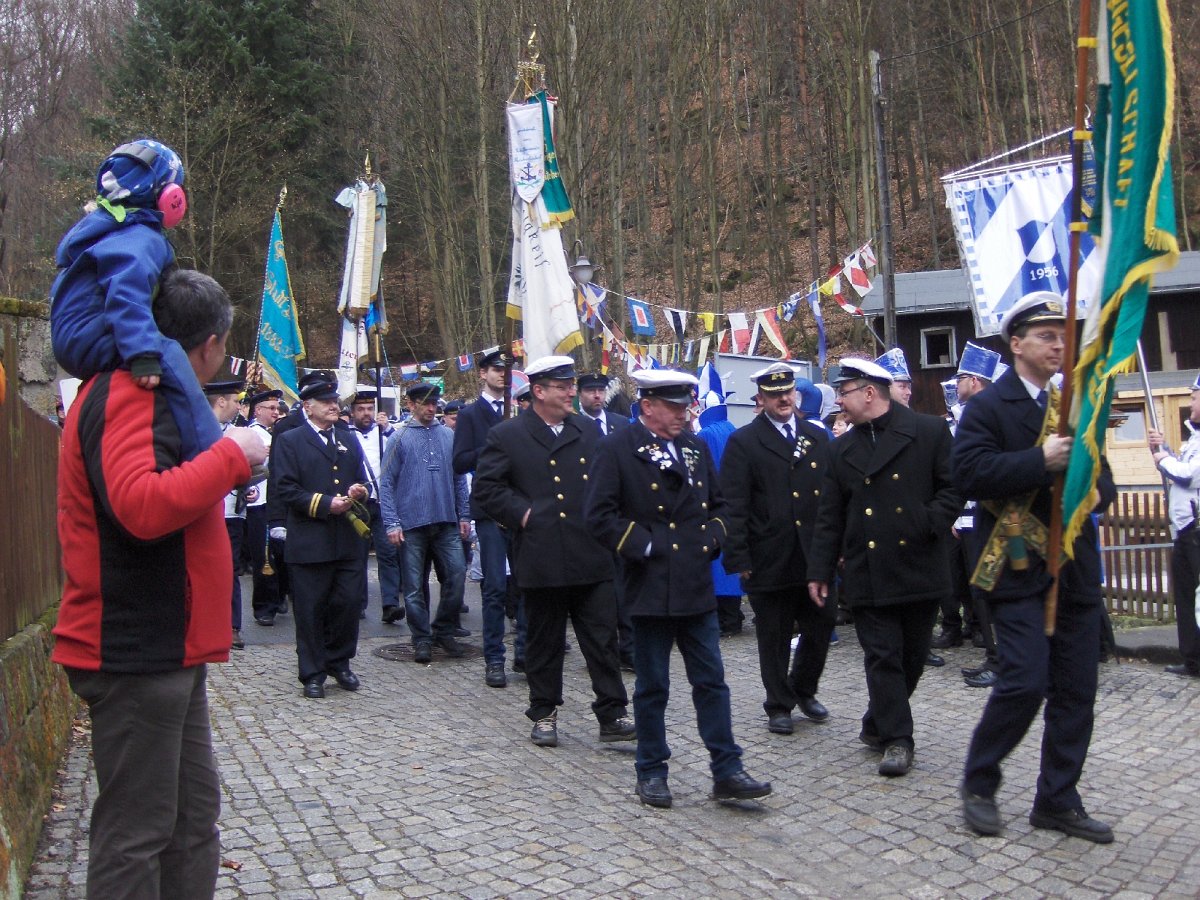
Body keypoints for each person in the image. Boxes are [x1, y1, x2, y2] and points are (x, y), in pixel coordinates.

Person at [54, 267, 267, 897]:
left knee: (191, 822)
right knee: (138, 832)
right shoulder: (128, 393)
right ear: (210, 344)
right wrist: (232, 457)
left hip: (163, 648)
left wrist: (225, 467)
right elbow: (141, 507)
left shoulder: (148, 393)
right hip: (134, 649)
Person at [955, 292, 1116, 842]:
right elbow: (969, 475)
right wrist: (1039, 461)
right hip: (1016, 568)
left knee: (1076, 691)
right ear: (1016, 343)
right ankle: (980, 782)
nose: (1060, 345)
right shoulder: (987, 408)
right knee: (1023, 680)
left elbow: (1106, 486)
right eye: (1047, 336)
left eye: (1065, 335)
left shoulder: (1074, 406)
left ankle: (1057, 799)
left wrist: (1089, 485)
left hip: (1072, 566)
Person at [587, 369, 772, 809]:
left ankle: (727, 769)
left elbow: (723, 504)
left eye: (686, 406)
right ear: (647, 406)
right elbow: (598, 516)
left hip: (693, 584)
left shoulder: (694, 447)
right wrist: (645, 544)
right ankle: (651, 769)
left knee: (712, 681)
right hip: (649, 585)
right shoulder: (617, 449)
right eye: (673, 407)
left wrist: (712, 537)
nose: (684, 414)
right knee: (653, 687)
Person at [807, 358, 959, 778]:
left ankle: (878, 721)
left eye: (844, 392)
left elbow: (953, 487)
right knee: (883, 657)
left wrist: (930, 520)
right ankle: (898, 738)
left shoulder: (928, 431)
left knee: (912, 657)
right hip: (868, 569)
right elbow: (829, 515)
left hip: (920, 563)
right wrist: (819, 571)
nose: (838, 400)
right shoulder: (841, 450)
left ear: (869, 392)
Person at [473, 356, 635, 744]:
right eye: (563, 387)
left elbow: (612, 483)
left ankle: (612, 713)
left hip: (591, 554)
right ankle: (544, 712)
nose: (571, 393)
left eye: (571, 386)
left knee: (601, 640)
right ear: (539, 391)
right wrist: (524, 514)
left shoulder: (589, 431)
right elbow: (487, 490)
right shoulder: (508, 435)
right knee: (544, 642)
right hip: (541, 555)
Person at [50, 139, 219, 462]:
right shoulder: (140, 239)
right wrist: (142, 352)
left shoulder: (106, 230)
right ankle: (210, 452)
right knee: (169, 353)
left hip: (75, 339)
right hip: (92, 337)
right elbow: (126, 293)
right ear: (168, 196)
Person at [722, 363, 833, 735]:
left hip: (814, 556)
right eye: (774, 394)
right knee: (774, 636)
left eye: (788, 392)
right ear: (760, 399)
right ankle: (779, 703)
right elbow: (733, 505)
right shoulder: (744, 443)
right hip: (768, 556)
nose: (783, 399)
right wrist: (739, 557)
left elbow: (830, 500)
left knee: (821, 627)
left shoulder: (816, 438)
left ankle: (803, 688)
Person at [273, 376, 372, 698]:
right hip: (310, 540)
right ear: (307, 407)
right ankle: (312, 672)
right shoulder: (291, 440)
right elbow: (285, 489)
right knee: (310, 608)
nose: (334, 406)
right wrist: (326, 504)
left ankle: (340, 661)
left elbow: (363, 481)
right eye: (326, 402)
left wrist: (359, 491)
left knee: (347, 603)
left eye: (335, 401)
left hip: (346, 540)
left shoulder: (348, 439)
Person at [382, 382, 470, 664]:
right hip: (411, 523)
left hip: (446, 520)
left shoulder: (449, 436)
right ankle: (421, 638)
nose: (431, 408)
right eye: (424, 403)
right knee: (414, 587)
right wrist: (392, 522)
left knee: (457, 576)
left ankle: (443, 629)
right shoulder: (399, 438)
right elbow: (386, 483)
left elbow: (459, 479)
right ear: (411, 405)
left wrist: (464, 514)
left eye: (434, 403)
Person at [454, 349, 527, 680]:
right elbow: (460, 460)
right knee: (495, 585)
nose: (503, 374)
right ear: (483, 373)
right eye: (496, 370)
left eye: (507, 370)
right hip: (489, 508)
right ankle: (494, 658)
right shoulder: (471, 415)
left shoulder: (520, 410)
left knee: (526, 583)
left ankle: (525, 651)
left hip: (522, 506)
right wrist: (497, 446)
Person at [942, 344, 1005, 688]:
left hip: (985, 516)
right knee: (980, 589)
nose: (957, 383)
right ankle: (994, 656)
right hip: (971, 516)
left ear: (975, 381)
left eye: (962, 377)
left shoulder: (981, 415)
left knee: (988, 589)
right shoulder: (972, 412)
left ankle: (999, 660)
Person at [1150, 373, 1200, 679]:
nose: (1191, 402)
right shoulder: (1195, 437)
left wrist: (1162, 459)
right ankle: (1193, 659)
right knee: (1185, 598)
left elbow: (1189, 475)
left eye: (1194, 397)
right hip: (1187, 530)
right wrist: (1165, 448)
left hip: (1197, 529)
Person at [695, 374, 745, 639]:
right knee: (732, 561)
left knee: (718, 563)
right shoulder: (733, 428)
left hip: (713, 506)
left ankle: (726, 620)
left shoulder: (704, 435)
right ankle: (733, 616)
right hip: (735, 504)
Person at [349, 389, 403, 622]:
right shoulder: (346, 435)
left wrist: (388, 429)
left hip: (383, 503)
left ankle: (390, 604)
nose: (366, 413)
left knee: (388, 554)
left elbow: (400, 453)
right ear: (352, 412)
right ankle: (358, 603)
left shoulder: (385, 434)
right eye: (361, 409)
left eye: (370, 409)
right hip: (358, 504)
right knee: (357, 556)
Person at [207, 375, 252, 650]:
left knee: (231, 571)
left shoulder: (237, 431)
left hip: (232, 512)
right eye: (235, 401)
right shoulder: (198, 430)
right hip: (206, 511)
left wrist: (250, 486)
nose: (239, 407)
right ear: (221, 401)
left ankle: (233, 626)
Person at [245, 388, 284, 625]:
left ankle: (279, 596)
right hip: (259, 500)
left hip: (278, 499)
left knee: (281, 551)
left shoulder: (279, 432)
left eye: (278, 408)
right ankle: (264, 606)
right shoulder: (251, 434)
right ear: (258, 410)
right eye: (271, 408)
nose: (276, 412)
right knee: (264, 556)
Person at [577, 371, 629, 437]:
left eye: (601, 390)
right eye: (591, 390)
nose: (597, 395)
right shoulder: (573, 427)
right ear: (579, 394)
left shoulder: (622, 423)